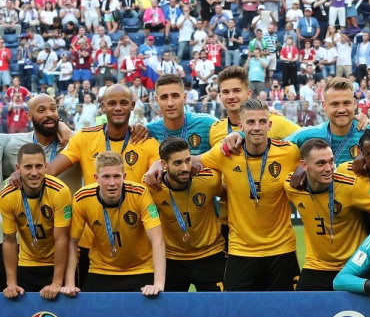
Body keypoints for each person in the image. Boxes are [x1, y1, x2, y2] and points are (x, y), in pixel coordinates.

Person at [45, 84, 160, 288]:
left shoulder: (146, 142)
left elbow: (163, 170)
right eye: (112, 103)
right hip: (93, 244)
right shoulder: (84, 138)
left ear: (133, 106)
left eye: (124, 103)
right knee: (93, 316)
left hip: (135, 244)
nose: (118, 108)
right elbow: (50, 171)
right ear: (102, 106)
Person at [199, 99, 301, 291]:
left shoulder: (290, 152)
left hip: (281, 249)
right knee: (237, 315)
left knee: (285, 314)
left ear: (270, 125)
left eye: (262, 122)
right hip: (241, 250)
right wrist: (157, 164)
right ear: (240, 125)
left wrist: (303, 168)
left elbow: (316, 149)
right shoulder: (225, 153)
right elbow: (194, 162)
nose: (257, 127)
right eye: (251, 122)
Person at [285, 138, 370, 291]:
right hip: (316, 266)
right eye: (321, 163)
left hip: (354, 266)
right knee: (297, 310)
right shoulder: (292, 186)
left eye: (331, 161)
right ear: (304, 165)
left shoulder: (351, 186)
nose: (329, 168)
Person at [61, 152, 165, 296]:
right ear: (96, 178)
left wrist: (158, 284)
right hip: (101, 269)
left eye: (117, 176)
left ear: (124, 177)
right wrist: (69, 284)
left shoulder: (140, 193)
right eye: (106, 177)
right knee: (87, 313)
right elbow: (72, 243)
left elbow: (157, 240)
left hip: (140, 269)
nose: (112, 183)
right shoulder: (82, 198)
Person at [146, 137, 226, 292]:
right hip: (172, 258)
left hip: (211, 254)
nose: (185, 168)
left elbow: (228, 194)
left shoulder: (209, 179)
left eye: (188, 160)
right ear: (163, 164)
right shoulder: (152, 186)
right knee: (168, 312)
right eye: (177, 163)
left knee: (220, 311)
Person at [0, 144, 72, 299]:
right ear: (18, 168)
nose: (34, 173)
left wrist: (57, 283)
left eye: (39, 166)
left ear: (46, 166)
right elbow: (10, 240)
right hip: (27, 262)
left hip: (58, 263)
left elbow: (62, 239)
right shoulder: (7, 196)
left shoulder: (61, 192)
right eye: (28, 167)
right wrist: (11, 283)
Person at [145, 74, 219, 154]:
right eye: (164, 97)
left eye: (175, 96)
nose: (170, 103)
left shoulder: (208, 123)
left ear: (184, 97)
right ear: (157, 100)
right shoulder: (149, 131)